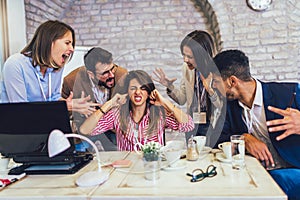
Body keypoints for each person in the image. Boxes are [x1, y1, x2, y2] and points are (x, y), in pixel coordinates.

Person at [212, 49, 300, 199]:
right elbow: (218, 139)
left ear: (232, 81)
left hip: (293, 168)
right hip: (254, 172)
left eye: (216, 81)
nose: (213, 87)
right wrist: (243, 138)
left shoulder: (289, 92)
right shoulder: (228, 106)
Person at [80, 70, 195, 151]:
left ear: (149, 92)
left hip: (153, 166)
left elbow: (188, 125)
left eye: (143, 88)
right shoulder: (116, 114)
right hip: (128, 169)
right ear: (127, 92)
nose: (138, 92)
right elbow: (85, 130)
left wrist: (165, 103)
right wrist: (109, 104)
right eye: (133, 88)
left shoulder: (159, 114)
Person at [1, 20, 97, 116]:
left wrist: (72, 104)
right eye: (67, 43)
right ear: (50, 42)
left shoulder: (57, 67)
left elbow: (53, 98)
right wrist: (64, 106)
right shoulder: (15, 64)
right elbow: (21, 109)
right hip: (14, 126)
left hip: (42, 122)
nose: (72, 49)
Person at [153, 30, 225, 146]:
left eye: (189, 56)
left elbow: (221, 106)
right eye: (184, 55)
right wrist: (169, 86)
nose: (185, 60)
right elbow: (182, 99)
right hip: (192, 123)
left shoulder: (218, 72)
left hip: (211, 124)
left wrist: (210, 91)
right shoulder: (187, 69)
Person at [61, 47, 127, 150]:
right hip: (85, 127)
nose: (111, 75)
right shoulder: (71, 81)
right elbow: (61, 111)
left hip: (113, 128)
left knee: (118, 155)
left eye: (112, 68)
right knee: (79, 155)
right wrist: (74, 108)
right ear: (91, 74)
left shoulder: (122, 76)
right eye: (105, 73)